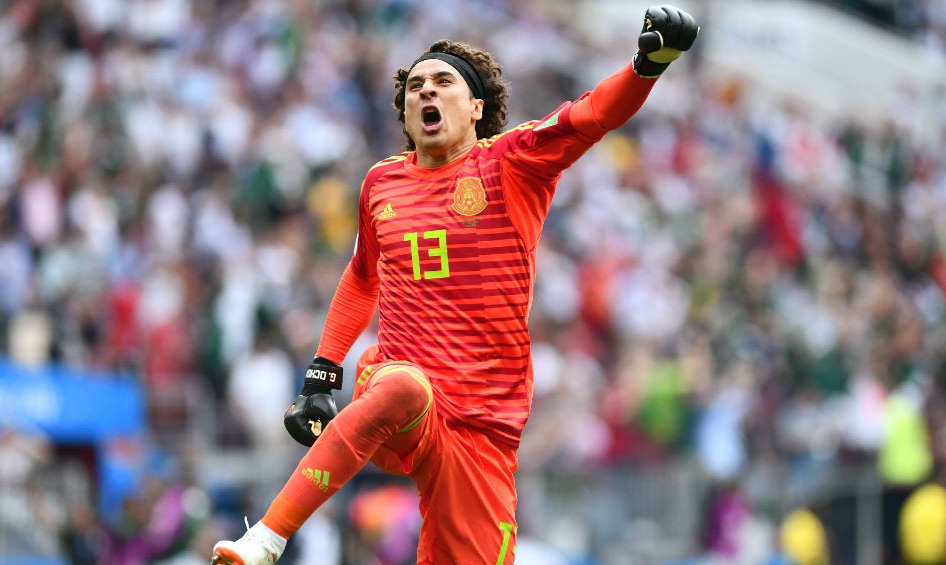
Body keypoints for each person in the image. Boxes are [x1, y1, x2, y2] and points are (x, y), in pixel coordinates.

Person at [210, 5, 700, 565]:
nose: (426, 93)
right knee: (402, 388)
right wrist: (322, 373)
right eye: (415, 86)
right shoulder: (381, 184)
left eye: (443, 82)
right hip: (404, 391)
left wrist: (645, 66)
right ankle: (266, 539)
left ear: (476, 108)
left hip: (484, 422)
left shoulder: (512, 163)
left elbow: (591, 115)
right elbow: (362, 276)